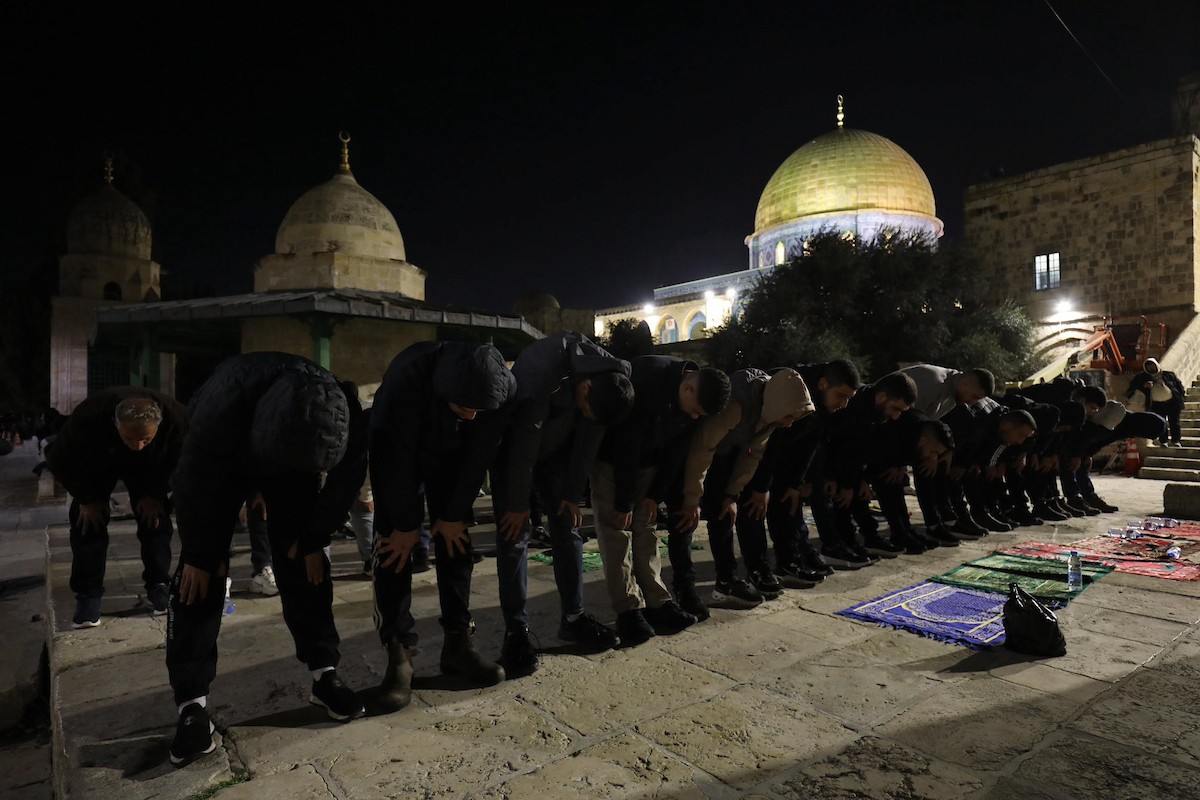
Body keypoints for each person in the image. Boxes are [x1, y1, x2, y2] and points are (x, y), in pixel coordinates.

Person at [165, 352, 368, 767]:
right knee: (200, 577)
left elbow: (347, 478)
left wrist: (313, 536)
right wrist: (201, 554)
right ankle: (191, 703)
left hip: (293, 455)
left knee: (305, 560)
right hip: (225, 457)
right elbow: (193, 481)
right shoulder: (222, 406)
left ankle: (324, 672)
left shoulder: (341, 409)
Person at [369, 341, 517, 712]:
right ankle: (399, 652)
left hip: (453, 457)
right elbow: (393, 457)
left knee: (456, 540)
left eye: (478, 410)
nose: (471, 415)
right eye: (464, 407)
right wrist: (404, 525)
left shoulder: (499, 390)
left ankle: (458, 643)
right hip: (403, 451)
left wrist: (452, 514)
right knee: (394, 547)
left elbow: (480, 452)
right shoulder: (406, 383)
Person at [492, 331, 635, 677]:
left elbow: (589, 437)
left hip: (555, 452)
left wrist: (572, 494)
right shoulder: (545, 369)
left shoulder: (607, 384)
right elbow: (525, 438)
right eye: (586, 410)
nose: (589, 416)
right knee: (514, 536)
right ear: (583, 390)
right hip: (511, 450)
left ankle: (573, 618)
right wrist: (517, 503)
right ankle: (516, 632)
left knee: (568, 527)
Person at [591, 356, 730, 644]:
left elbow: (677, 451)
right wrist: (624, 502)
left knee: (647, 530)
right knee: (617, 533)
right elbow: (626, 444)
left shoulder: (692, 403)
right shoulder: (646, 379)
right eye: (694, 411)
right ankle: (629, 610)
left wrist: (655, 495)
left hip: (649, 465)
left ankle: (657, 602)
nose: (694, 418)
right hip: (613, 461)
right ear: (688, 388)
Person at [45, 388, 187, 627]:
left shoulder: (178, 419)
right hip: (99, 463)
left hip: (151, 467)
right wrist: (87, 498)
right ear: (115, 423)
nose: (138, 446)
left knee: (155, 520)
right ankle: (88, 595)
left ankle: (160, 583)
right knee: (87, 521)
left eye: (146, 439)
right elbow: (59, 459)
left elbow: (185, 460)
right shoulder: (88, 418)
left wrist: (155, 493)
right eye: (130, 438)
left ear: (159, 426)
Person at [679, 367, 814, 608]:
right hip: (699, 453)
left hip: (727, 451)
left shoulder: (771, 410)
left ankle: (732, 578)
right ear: (780, 405)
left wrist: (732, 494)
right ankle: (720, 582)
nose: (790, 425)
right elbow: (702, 449)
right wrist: (692, 499)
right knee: (703, 517)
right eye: (789, 417)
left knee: (727, 510)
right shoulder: (737, 404)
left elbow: (753, 454)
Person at [1126, 358, 1184, 447]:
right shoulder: (1142, 378)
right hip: (1157, 404)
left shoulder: (1168, 375)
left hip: (1172, 402)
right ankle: (1163, 441)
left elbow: (1179, 386)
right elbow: (1131, 388)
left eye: (1152, 365)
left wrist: (1181, 398)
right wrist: (1144, 386)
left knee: (1174, 422)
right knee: (1161, 422)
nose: (1151, 368)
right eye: (1148, 366)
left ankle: (1176, 440)